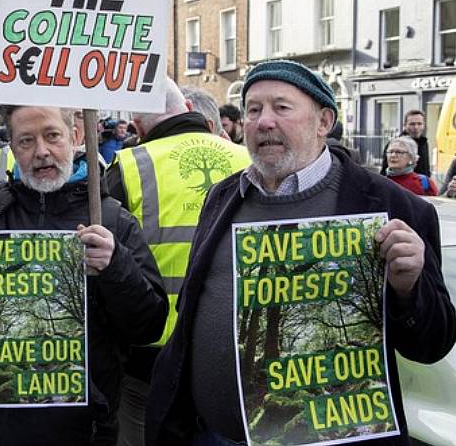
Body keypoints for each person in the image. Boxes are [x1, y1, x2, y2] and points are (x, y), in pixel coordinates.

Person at [146, 60, 456, 445]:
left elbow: (431, 344)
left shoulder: (396, 207)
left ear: (323, 122)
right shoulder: (223, 196)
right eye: (254, 109)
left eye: (282, 107)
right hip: (213, 434)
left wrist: (410, 288)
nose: (264, 122)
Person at [0, 43, 168, 446]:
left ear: (74, 135)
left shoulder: (109, 219)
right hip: (0, 423)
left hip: (84, 427)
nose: (41, 152)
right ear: (11, 147)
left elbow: (148, 324)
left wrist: (115, 266)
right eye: (26, 141)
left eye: (52, 136)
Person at [106, 81, 250, 446]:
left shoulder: (129, 165)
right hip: (231, 345)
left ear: (138, 128)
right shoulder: (247, 159)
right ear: (189, 106)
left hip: (150, 352)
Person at [380, 109, 430, 177]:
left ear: (424, 125)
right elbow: (385, 172)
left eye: (419, 124)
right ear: (405, 125)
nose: (416, 127)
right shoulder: (395, 145)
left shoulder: (424, 143)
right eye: (412, 124)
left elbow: (426, 169)